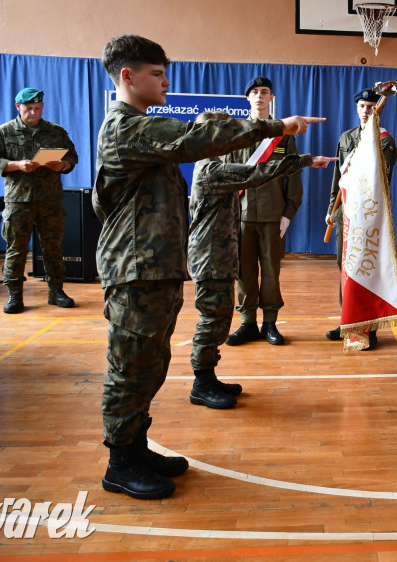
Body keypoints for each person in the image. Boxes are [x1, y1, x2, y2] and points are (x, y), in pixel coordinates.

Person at [94, 34, 322, 500]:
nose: (165, 81)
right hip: (134, 269)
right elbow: (196, 138)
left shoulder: (140, 130)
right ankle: (120, 462)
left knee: (151, 362)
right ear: (127, 76)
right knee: (130, 365)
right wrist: (276, 126)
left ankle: (136, 446)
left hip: (154, 267)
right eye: (157, 74)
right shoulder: (125, 127)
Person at [188, 111, 334, 410]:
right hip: (210, 255)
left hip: (217, 253)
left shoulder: (215, 164)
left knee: (216, 319)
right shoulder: (211, 169)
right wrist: (307, 160)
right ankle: (201, 384)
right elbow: (256, 174)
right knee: (211, 321)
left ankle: (208, 378)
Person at [0, 88, 79, 313]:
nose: (33, 113)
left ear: (42, 107)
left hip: (50, 199)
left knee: (53, 247)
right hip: (19, 200)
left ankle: (56, 290)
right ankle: (15, 295)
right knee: (16, 248)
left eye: (37, 108)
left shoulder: (56, 131)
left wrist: (63, 165)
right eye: (28, 109)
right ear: (18, 107)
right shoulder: (4, 132)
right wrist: (17, 165)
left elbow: (72, 157)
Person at [223, 77, 303, 347]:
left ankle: (270, 322)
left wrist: (288, 213)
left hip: (272, 215)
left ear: (271, 98)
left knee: (271, 270)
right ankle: (247, 323)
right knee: (244, 272)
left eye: (264, 92)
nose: (259, 96)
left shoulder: (284, 134)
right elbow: (226, 175)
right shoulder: (234, 131)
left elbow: (293, 174)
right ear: (247, 98)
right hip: (241, 216)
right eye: (254, 92)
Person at [324, 87, 397, 349]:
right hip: (346, 213)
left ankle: (370, 325)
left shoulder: (384, 140)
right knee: (345, 267)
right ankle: (349, 322)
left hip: (369, 214)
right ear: (356, 109)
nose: (366, 111)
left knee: (366, 266)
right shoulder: (346, 138)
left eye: (370, 106)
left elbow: (382, 178)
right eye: (362, 107)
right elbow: (338, 176)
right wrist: (330, 210)